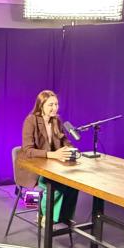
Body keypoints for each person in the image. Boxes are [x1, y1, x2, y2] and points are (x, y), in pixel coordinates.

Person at [15, 89, 78, 226]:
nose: (54, 108)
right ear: (41, 105)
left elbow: (65, 140)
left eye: (56, 104)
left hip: (52, 165)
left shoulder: (57, 120)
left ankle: (63, 216)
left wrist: (71, 149)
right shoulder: (31, 120)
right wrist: (53, 155)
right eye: (51, 105)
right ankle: (45, 215)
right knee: (57, 185)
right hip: (33, 167)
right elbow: (28, 150)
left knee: (74, 185)